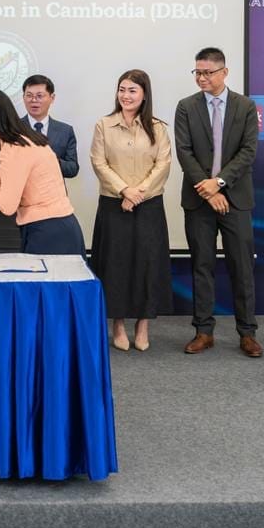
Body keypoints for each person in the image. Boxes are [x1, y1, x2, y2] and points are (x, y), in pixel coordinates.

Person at [173, 47, 262, 358]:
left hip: (236, 199)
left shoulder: (245, 106)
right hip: (199, 200)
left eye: (208, 72)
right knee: (202, 265)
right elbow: (184, 152)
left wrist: (220, 183)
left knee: (242, 267)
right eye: (197, 72)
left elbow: (248, 151)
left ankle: (247, 333)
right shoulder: (186, 107)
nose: (202, 78)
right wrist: (209, 191)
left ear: (224, 72)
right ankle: (203, 331)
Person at [89, 69, 172, 352]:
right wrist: (124, 190)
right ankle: (118, 325)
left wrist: (138, 194)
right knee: (117, 264)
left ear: (144, 94)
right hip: (114, 204)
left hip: (148, 205)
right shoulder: (104, 125)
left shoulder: (158, 128)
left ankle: (143, 325)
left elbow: (163, 165)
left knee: (147, 264)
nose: (126, 95)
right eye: (122, 89)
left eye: (132, 90)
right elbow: (99, 163)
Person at [0, 88, 84, 255]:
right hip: (58, 227)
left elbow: (7, 206)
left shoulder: (14, 150)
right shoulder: (23, 140)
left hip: (48, 232)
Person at [20, 75, 79, 178]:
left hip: (54, 187)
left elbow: (72, 169)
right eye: (29, 95)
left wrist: (51, 160)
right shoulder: (13, 128)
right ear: (23, 97)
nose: (34, 100)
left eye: (39, 96)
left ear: (52, 98)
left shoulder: (65, 131)